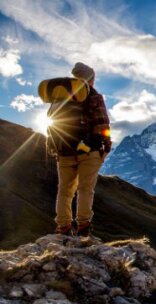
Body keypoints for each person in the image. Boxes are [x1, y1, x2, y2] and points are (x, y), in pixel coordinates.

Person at [47, 62, 111, 237]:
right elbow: (102, 122)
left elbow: (51, 122)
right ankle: (83, 227)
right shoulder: (94, 95)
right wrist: (106, 145)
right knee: (85, 189)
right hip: (89, 151)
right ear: (90, 79)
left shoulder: (61, 96)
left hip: (64, 151)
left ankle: (63, 227)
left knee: (65, 190)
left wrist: (53, 147)